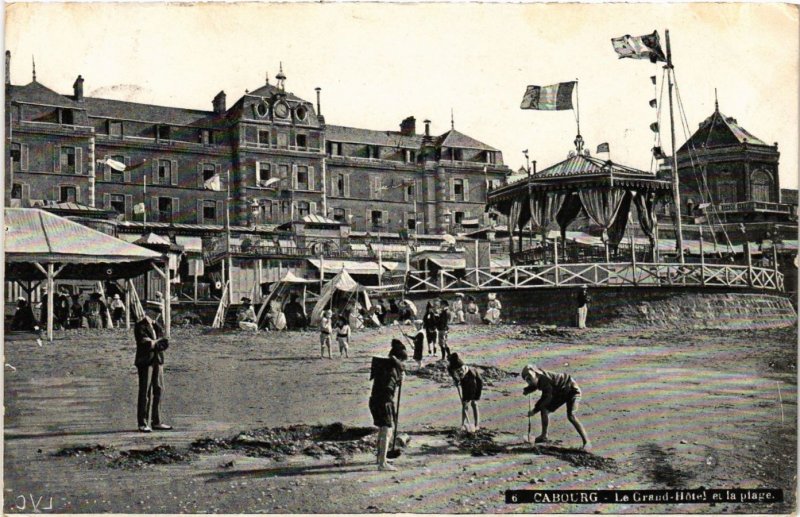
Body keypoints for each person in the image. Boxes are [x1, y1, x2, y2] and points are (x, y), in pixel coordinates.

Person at [521, 364, 590, 449]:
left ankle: (587, 442)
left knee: (571, 416)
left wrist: (534, 410)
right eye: (527, 380)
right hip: (561, 391)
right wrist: (529, 389)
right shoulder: (539, 377)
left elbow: (546, 397)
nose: (529, 382)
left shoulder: (545, 380)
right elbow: (536, 384)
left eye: (530, 379)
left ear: (536, 374)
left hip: (572, 390)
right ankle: (544, 436)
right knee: (544, 410)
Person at [369, 339, 407, 470]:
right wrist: (398, 379)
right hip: (383, 402)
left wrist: (398, 379)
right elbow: (387, 389)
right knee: (387, 431)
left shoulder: (384, 365)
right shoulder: (391, 370)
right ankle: (382, 463)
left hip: (376, 401)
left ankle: (380, 458)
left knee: (382, 430)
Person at [134, 303, 172, 433]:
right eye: (156, 311)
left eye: (159, 311)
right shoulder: (140, 325)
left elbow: (163, 342)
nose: (158, 313)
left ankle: (157, 421)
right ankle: (142, 423)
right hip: (145, 361)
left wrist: (158, 343)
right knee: (145, 392)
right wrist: (156, 343)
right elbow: (144, 343)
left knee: (159, 389)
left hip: (158, 360)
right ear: (148, 311)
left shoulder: (157, 325)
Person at [447, 353, 482, 431]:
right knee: (465, 403)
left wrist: (476, 396)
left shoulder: (470, 371)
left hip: (476, 382)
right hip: (465, 382)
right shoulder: (450, 367)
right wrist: (456, 380)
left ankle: (477, 425)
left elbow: (479, 382)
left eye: (461, 370)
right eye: (458, 371)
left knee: (474, 403)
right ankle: (462, 424)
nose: (460, 372)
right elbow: (454, 375)